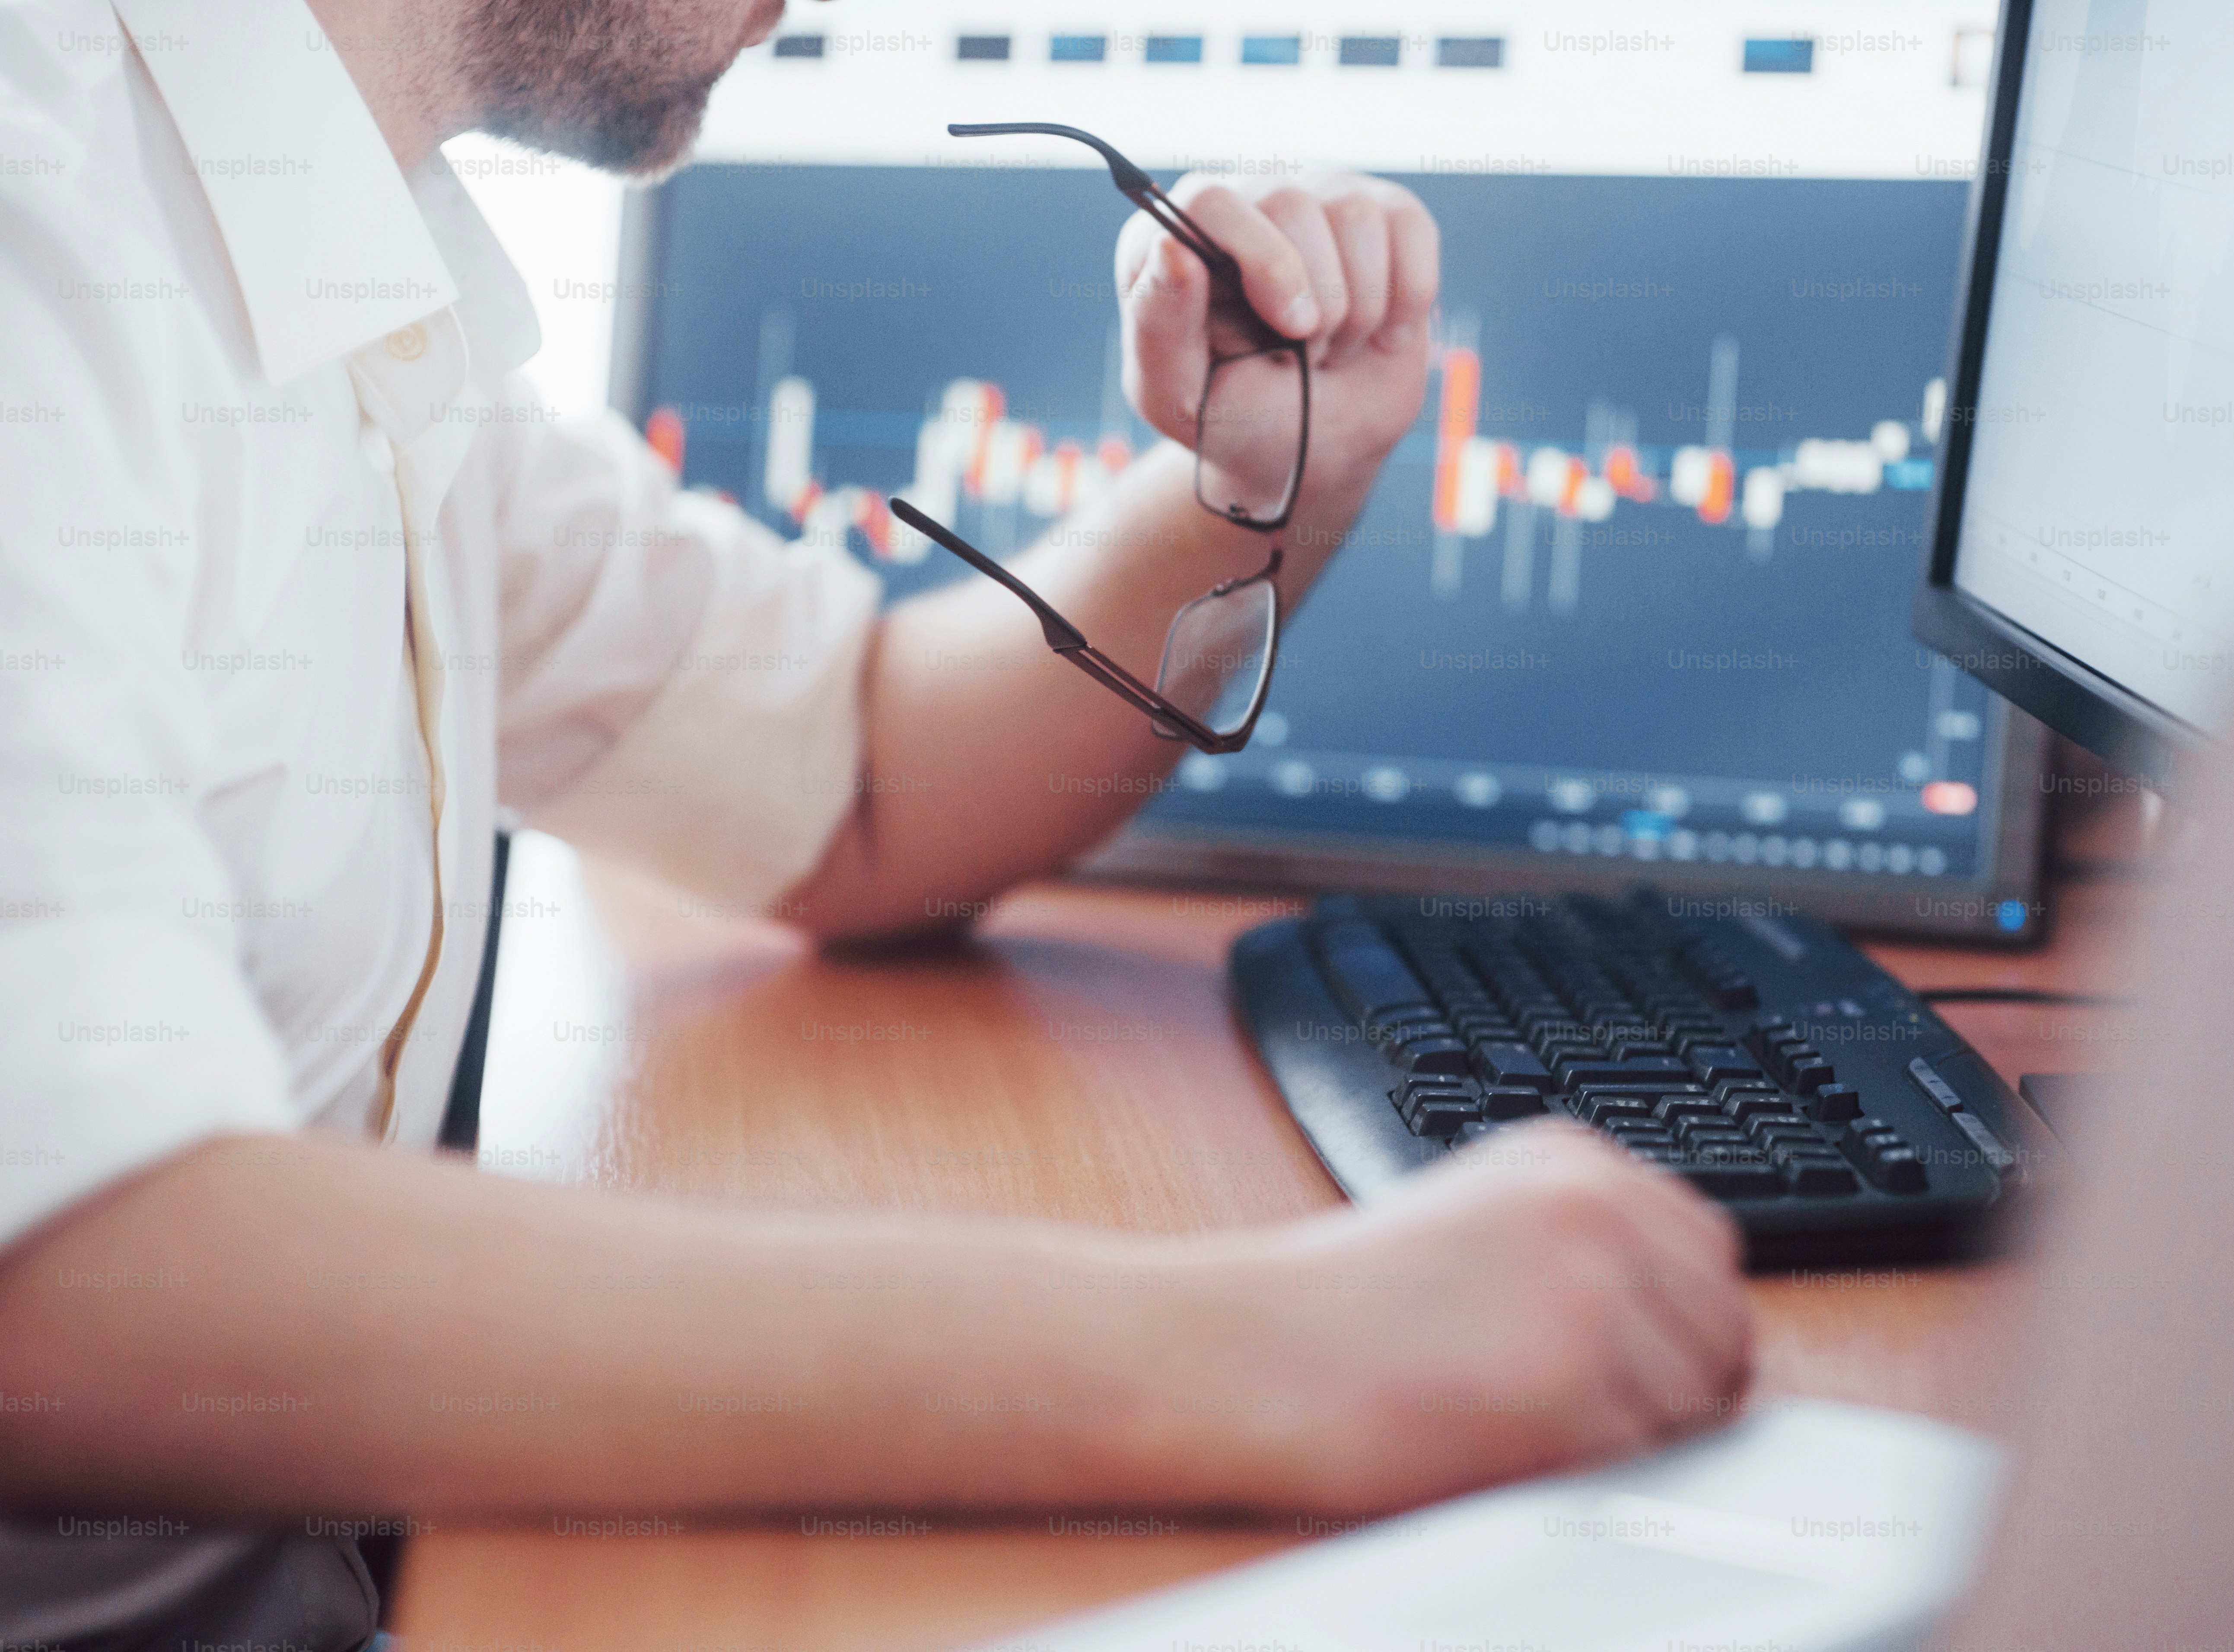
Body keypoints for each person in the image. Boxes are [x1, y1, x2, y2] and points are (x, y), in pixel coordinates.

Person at [0, 0, 1752, 1642]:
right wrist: (1270, 1350)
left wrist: (1270, 482)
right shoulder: (42, 220)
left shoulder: (342, 249)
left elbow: (856, 780)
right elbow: (65, 1281)